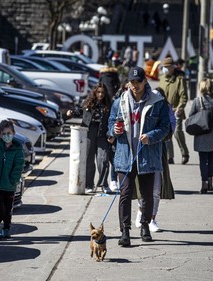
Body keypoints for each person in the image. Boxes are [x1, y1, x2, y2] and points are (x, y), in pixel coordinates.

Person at [108, 66, 170, 246]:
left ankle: (144, 226)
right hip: (125, 155)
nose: (135, 85)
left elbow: (165, 128)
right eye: (132, 82)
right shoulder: (119, 102)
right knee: (125, 193)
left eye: (138, 82)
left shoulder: (157, 101)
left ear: (145, 81)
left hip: (147, 155)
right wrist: (114, 129)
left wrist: (150, 137)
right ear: (128, 83)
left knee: (147, 195)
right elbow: (111, 124)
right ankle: (125, 231)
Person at [134, 86, 176, 232]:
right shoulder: (137, 103)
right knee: (141, 187)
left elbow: (170, 127)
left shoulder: (164, 106)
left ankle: (152, 218)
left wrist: (154, 136)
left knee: (156, 188)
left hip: (158, 148)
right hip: (139, 148)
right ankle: (141, 210)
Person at [67, 83, 112, 194]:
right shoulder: (89, 104)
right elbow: (80, 111)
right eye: (98, 92)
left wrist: (111, 134)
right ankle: (89, 184)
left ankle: (104, 184)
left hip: (102, 134)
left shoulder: (108, 105)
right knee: (88, 159)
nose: (100, 94)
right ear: (94, 93)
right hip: (89, 133)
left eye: (102, 92)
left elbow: (112, 119)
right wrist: (71, 112)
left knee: (104, 159)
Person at [159, 56, 189, 165]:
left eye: (167, 67)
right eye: (164, 67)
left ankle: (185, 153)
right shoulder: (162, 78)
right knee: (166, 134)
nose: (165, 69)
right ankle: (169, 156)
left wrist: (180, 108)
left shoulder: (179, 79)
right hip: (164, 111)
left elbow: (184, 96)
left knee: (177, 132)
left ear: (172, 67)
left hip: (176, 111)